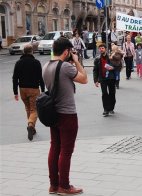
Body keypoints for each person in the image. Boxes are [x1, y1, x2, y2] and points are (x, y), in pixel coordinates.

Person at [43, 38, 87, 195]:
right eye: (70, 52)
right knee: (66, 151)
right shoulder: (66, 67)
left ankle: (53, 185)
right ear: (67, 51)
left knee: (54, 147)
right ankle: (64, 186)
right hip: (67, 114)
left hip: (53, 113)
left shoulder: (46, 66)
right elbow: (84, 79)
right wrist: (76, 61)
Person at [12, 44, 45, 141]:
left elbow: (15, 78)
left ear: (23, 52)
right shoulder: (36, 62)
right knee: (34, 110)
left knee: (28, 108)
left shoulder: (18, 63)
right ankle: (31, 125)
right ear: (31, 52)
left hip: (22, 89)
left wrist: (15, 92)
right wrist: (43, 90)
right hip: (34, 89)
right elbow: (40, 77)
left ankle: (32, 128)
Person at [93, 43, 117, 116]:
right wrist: (96, 80)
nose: (101, 49)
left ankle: (111, 108)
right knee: (104, 94)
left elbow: (118, 65)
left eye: (102, 48)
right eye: (100, 48)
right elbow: (95, 70)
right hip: (103, 79)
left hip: (111, 78)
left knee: (112, 93)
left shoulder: (111, 57)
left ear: (105, 49)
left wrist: (113, 68)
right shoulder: (97, 59)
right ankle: (106, 109)